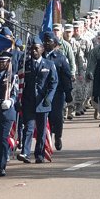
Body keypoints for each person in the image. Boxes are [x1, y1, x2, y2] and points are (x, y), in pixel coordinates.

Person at [17, 36, 57, 164]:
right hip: (28, 101)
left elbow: (53, 83)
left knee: (41, 130)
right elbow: (20, 83)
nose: (33, 51)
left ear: (42, 49)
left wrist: (48, 98)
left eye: (36, 49)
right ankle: (25, 152)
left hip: (42, 102)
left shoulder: (49, 64)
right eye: (32, 49)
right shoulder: (25, 65)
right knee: (28, 128)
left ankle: (39, 154)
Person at [42, 31, 73, 151]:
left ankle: (58, 136)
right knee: (45, 117)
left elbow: (66, 76)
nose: (46, 44)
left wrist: (68, 92)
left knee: (57, 116)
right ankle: (46, 141)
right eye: (45, 41)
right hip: (43, 93)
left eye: (49, 42)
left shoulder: (60, 57)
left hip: (58, 93)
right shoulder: (40, 56)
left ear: (54, 43)